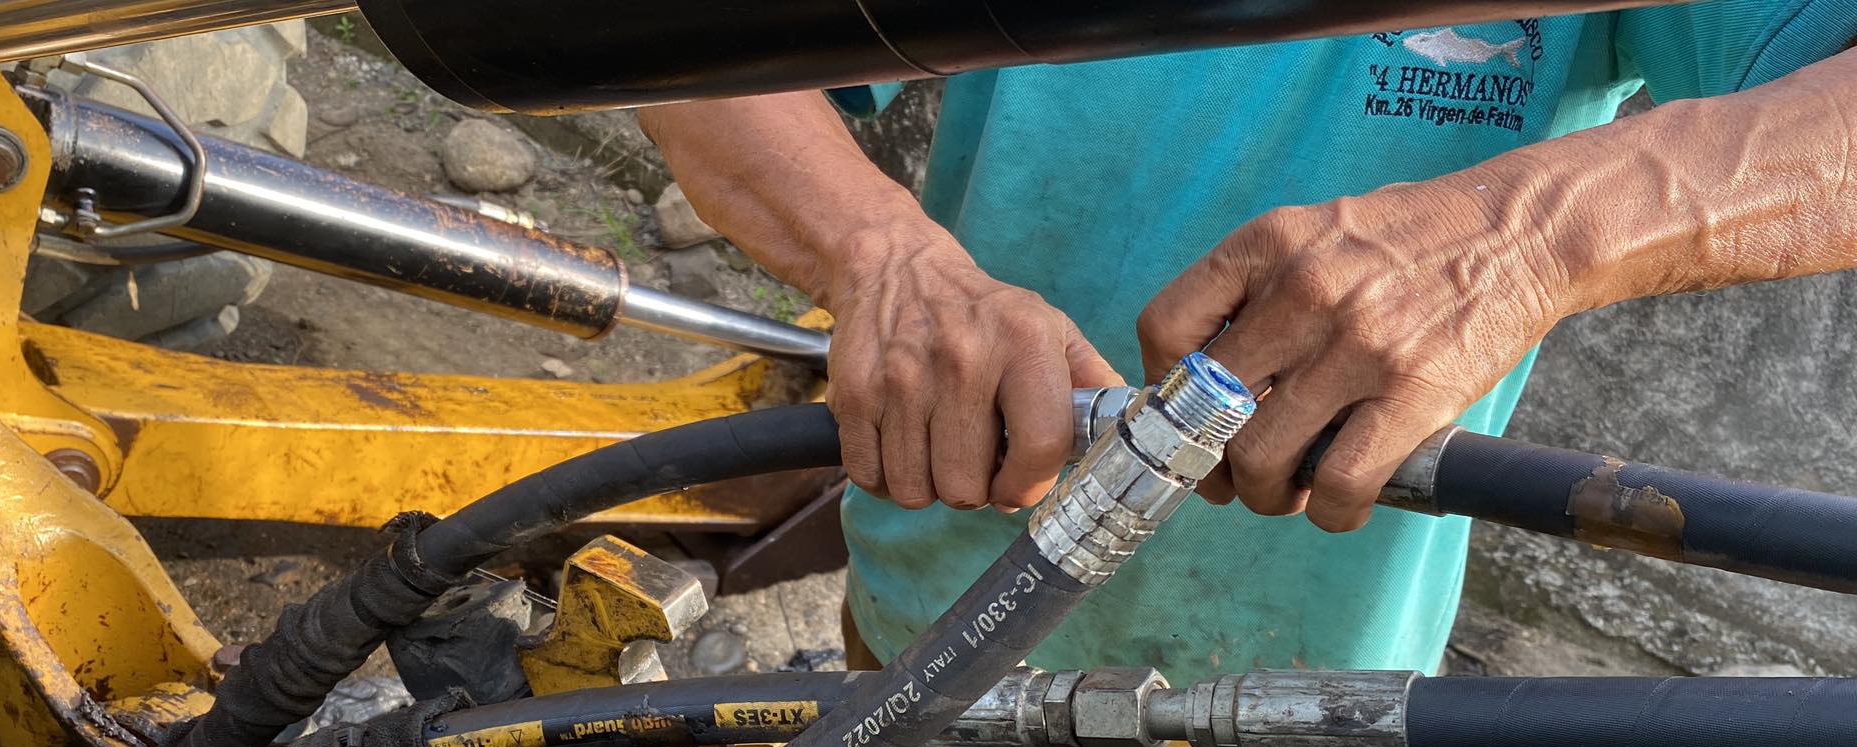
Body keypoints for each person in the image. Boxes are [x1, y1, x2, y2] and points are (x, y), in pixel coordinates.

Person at [640, 7, 1857, 680]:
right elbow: (663, 39)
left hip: (1316, 676)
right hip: (938, 592)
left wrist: (1521, 239)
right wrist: (879, 256)